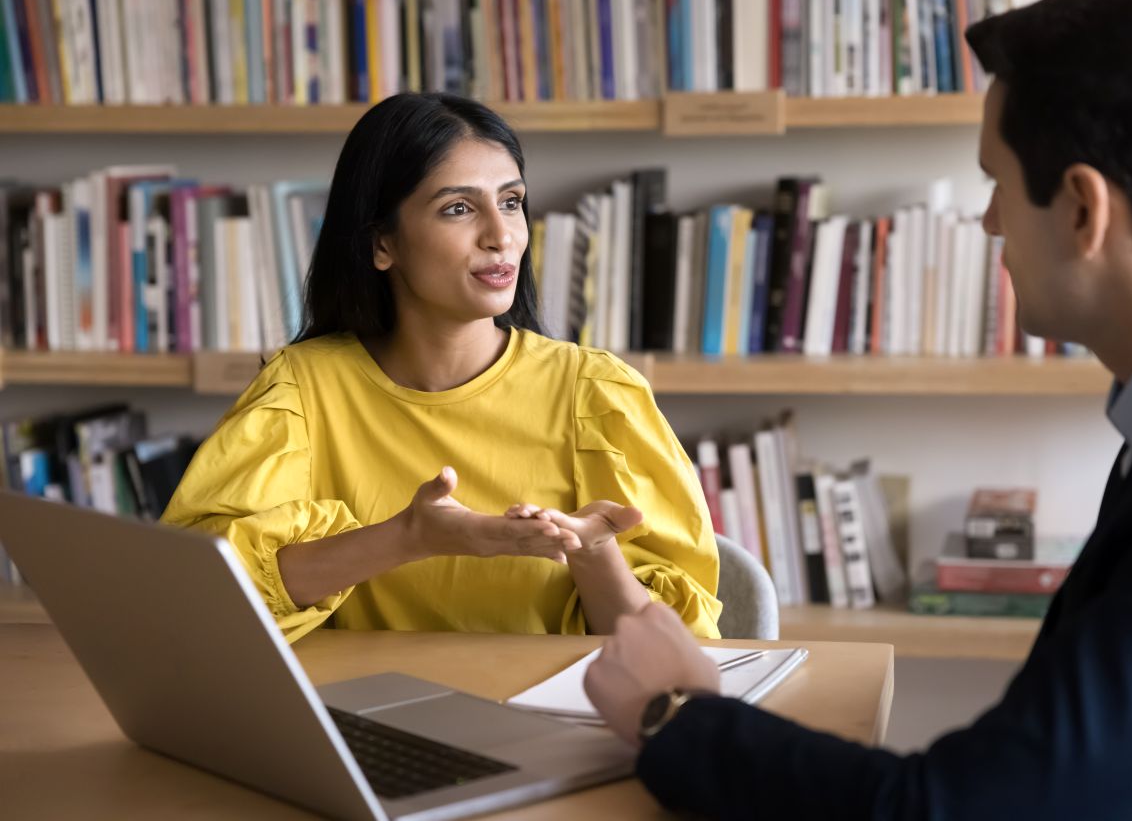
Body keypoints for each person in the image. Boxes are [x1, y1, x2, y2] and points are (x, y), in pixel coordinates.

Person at [583, 0, 1132, 818]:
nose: (987, 222)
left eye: (998, 184)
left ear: (1085, 209)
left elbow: (962, 811)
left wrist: (673, 713)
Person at [162, 93, 721, 642]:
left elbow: (682, 650)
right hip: (359, 721)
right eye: (459, 208)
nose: (501, 236)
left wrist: (593, 552)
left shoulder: (597, 394)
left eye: (510, 201)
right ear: (383, 243)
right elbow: (199, 597)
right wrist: (409, 536)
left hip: (546, 724)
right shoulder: (300, 390)